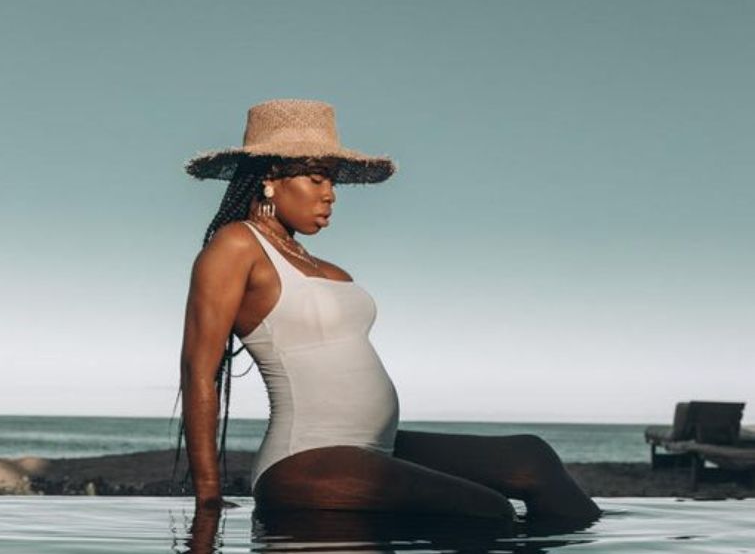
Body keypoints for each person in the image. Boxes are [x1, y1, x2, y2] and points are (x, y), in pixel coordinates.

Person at [177, 98, 601, 523]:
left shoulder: (318, 264)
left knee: (532, 458)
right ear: (271, 177)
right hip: (305, 458)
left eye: (334, 182)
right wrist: (208, 498)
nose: (331, 195)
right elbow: (199, 369)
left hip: (376, 447)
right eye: (317, 178)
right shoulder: (237, 245)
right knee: (488, 510)